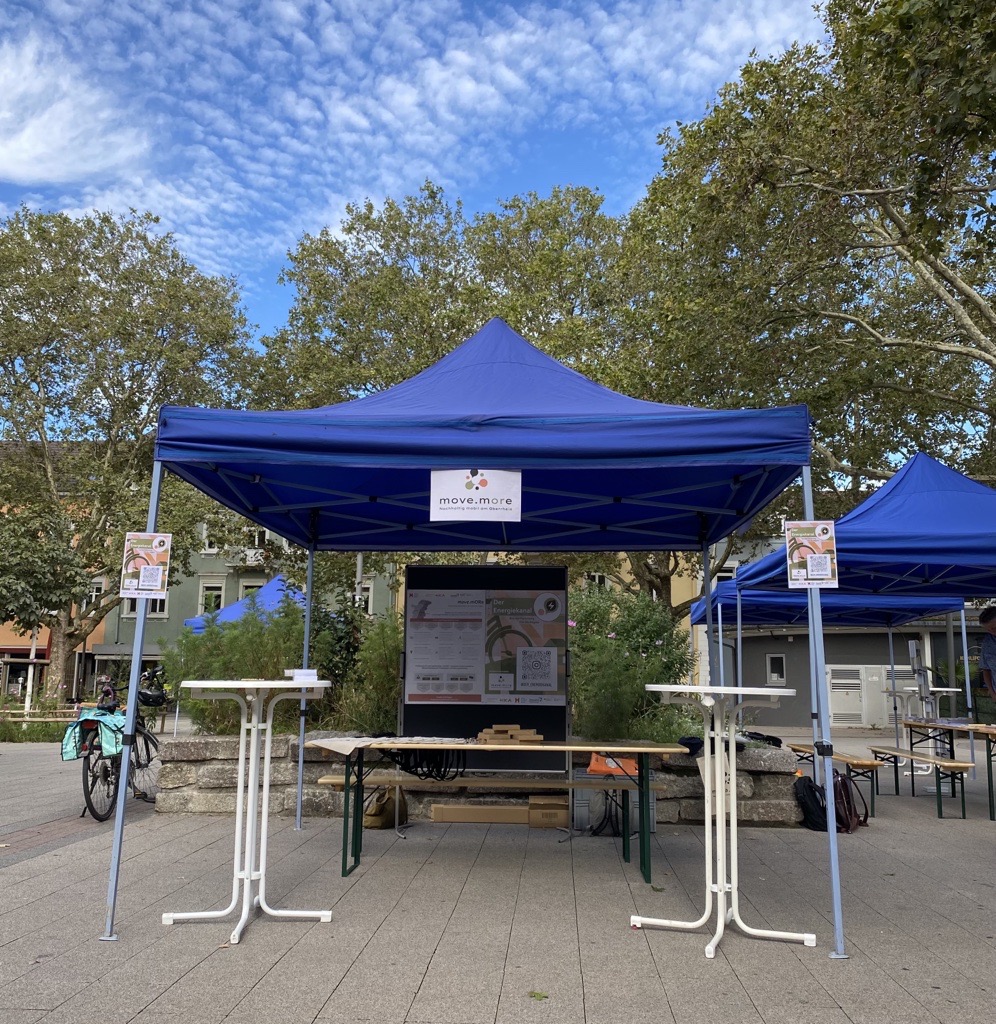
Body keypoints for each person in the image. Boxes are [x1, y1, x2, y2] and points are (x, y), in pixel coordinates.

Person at [979, 606, 996, 699]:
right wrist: (991, 691)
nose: (992, 632)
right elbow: (986, 669)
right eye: (988, 630)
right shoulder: (987, 641)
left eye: (994, 628)